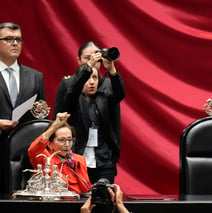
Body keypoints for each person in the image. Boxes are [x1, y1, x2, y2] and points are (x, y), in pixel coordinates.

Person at [54, 42, 125, 185]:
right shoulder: (71, 86)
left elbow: (119, 95)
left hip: (103, 158)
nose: (91, 82)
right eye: (88, 58)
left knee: (104, 198)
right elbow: (67, 103)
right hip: (75, 155)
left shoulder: (106, 88)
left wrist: (111, 68)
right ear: (78, 60)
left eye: (95, 78)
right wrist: (87, 69)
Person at [0, 22, 46, 194]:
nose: (15, 43)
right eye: (9, 39)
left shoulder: (35, 77)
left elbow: (40, 114)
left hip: (24, 158)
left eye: (19, 39)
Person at [28, 112, 91, 194]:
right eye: (62, 140)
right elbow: (33, 149)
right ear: (49, 144)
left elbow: (86, 189)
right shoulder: (45, 158)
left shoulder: (79, 160)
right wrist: (54, 126)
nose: (67, 145)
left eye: (70, 140)